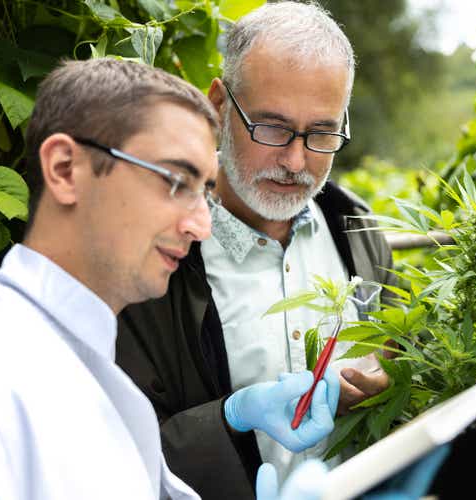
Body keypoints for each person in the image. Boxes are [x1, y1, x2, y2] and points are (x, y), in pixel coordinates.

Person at [0, 58, 340, 500]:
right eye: (174, 182)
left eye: (204, 190)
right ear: (65, 169)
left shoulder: (104, 380)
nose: (202, 226)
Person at [116, 2, 400, 498]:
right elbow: (112, 452)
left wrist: (390, 377)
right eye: (271, 127)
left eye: (321, 132)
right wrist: (228, 420)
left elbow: (400, 361)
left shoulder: (358, 233)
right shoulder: (152, 255)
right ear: (219, 107)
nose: (295, 160)